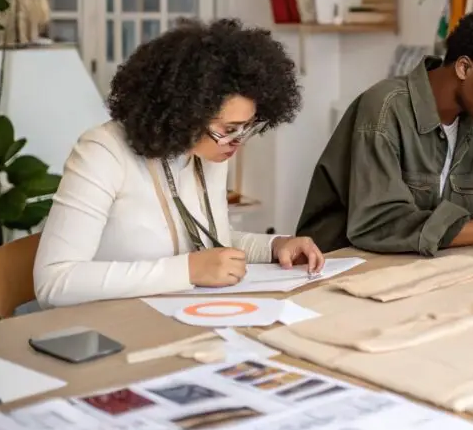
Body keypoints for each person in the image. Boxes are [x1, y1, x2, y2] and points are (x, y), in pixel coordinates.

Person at [34, 19, 325, 308]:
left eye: (248, 127)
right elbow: (54, 280)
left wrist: (274, 247)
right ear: (185, 112)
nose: (238, 141)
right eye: (229, 129)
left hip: (178, 320)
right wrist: (187, 271)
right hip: (106, 329)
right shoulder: (102, 152)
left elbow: (208, 243)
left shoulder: (206, 154)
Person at [296, 8, 473, 256]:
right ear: (463, 68)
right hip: (340, 265)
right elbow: (380, 222)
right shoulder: (384, 109)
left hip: (423, 267)